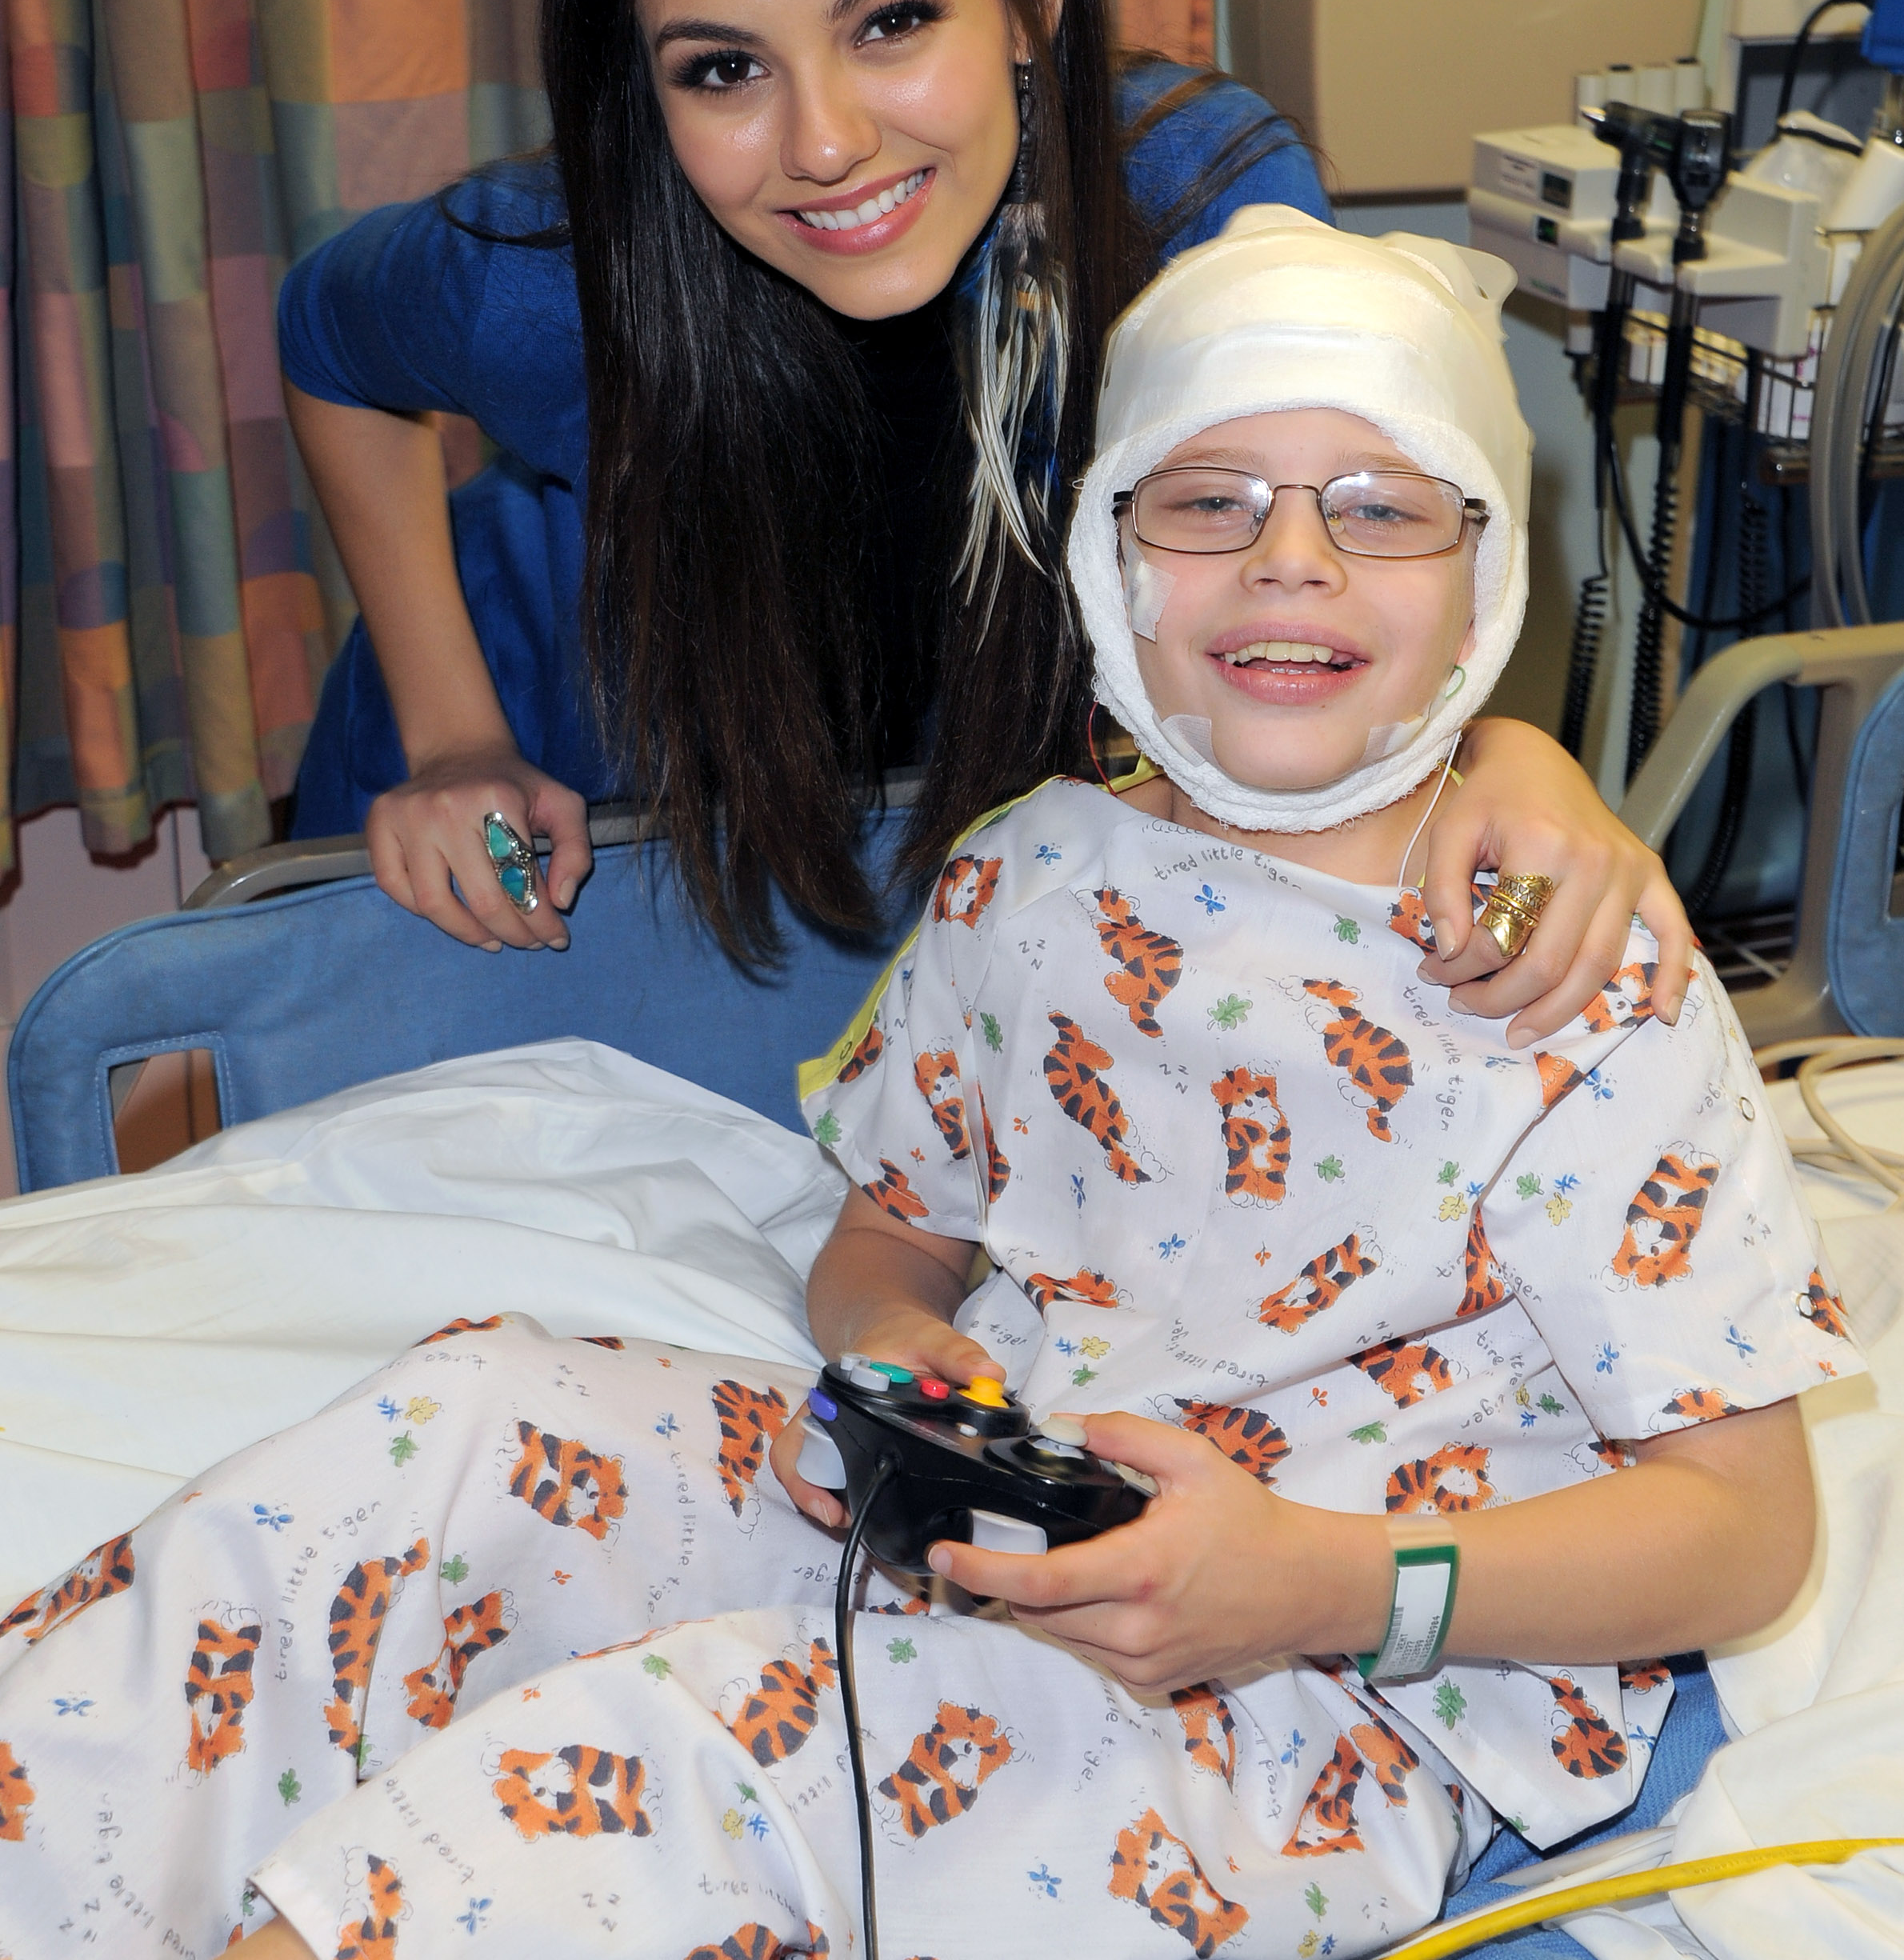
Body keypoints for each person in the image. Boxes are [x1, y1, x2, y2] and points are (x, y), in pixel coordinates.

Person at [0, 213, 1851, 1959]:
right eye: (1204, 500)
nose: (1290, 558)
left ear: (1483, 576)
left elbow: (1742, 1533)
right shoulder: (1027, 881)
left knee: (666, 1770)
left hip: (1325, 1683)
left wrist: (1323, 1582)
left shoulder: (1565, 965)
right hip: (995, 1510)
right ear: (1108, 555)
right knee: (466, 1423)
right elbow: (891, 1239)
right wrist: (906, 1367)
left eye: (1380, 506)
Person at [279, 0, 1690, 1049]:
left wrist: (1492, 755)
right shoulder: (544, 280)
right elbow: (325, 347)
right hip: (565, 803)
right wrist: (452, 734)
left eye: (892, 22)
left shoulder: (1194, 219)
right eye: (724, 68)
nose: (826, 143)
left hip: (948, 824)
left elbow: (1321, 563)